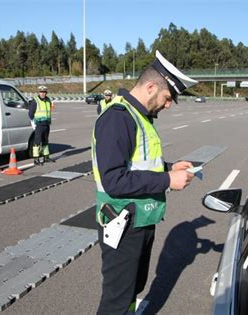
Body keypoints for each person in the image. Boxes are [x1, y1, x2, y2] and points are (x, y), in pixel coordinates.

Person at [91, 50, 198, 314]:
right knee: (116, 300)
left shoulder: (140, 117)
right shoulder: (118, 118)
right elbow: (114, 180)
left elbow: (138, 163)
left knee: (132, 290)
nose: (168, 104)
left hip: (141, 219)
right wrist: (167, 179)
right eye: (168, 97)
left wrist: (170, 167)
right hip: (123, 223)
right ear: (151, 87)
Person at [28, 85, 53, 165]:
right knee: (37, 142)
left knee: (45, 141)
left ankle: (46, 157)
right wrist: (33, 122)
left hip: (46, 124)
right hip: (39, 124)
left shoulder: (48, 100)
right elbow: (30, 113)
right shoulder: (35, 101)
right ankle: (36, 159)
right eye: (41, 92)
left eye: (44, 92)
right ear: (39, 92)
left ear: (46, 93)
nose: (43, 93)